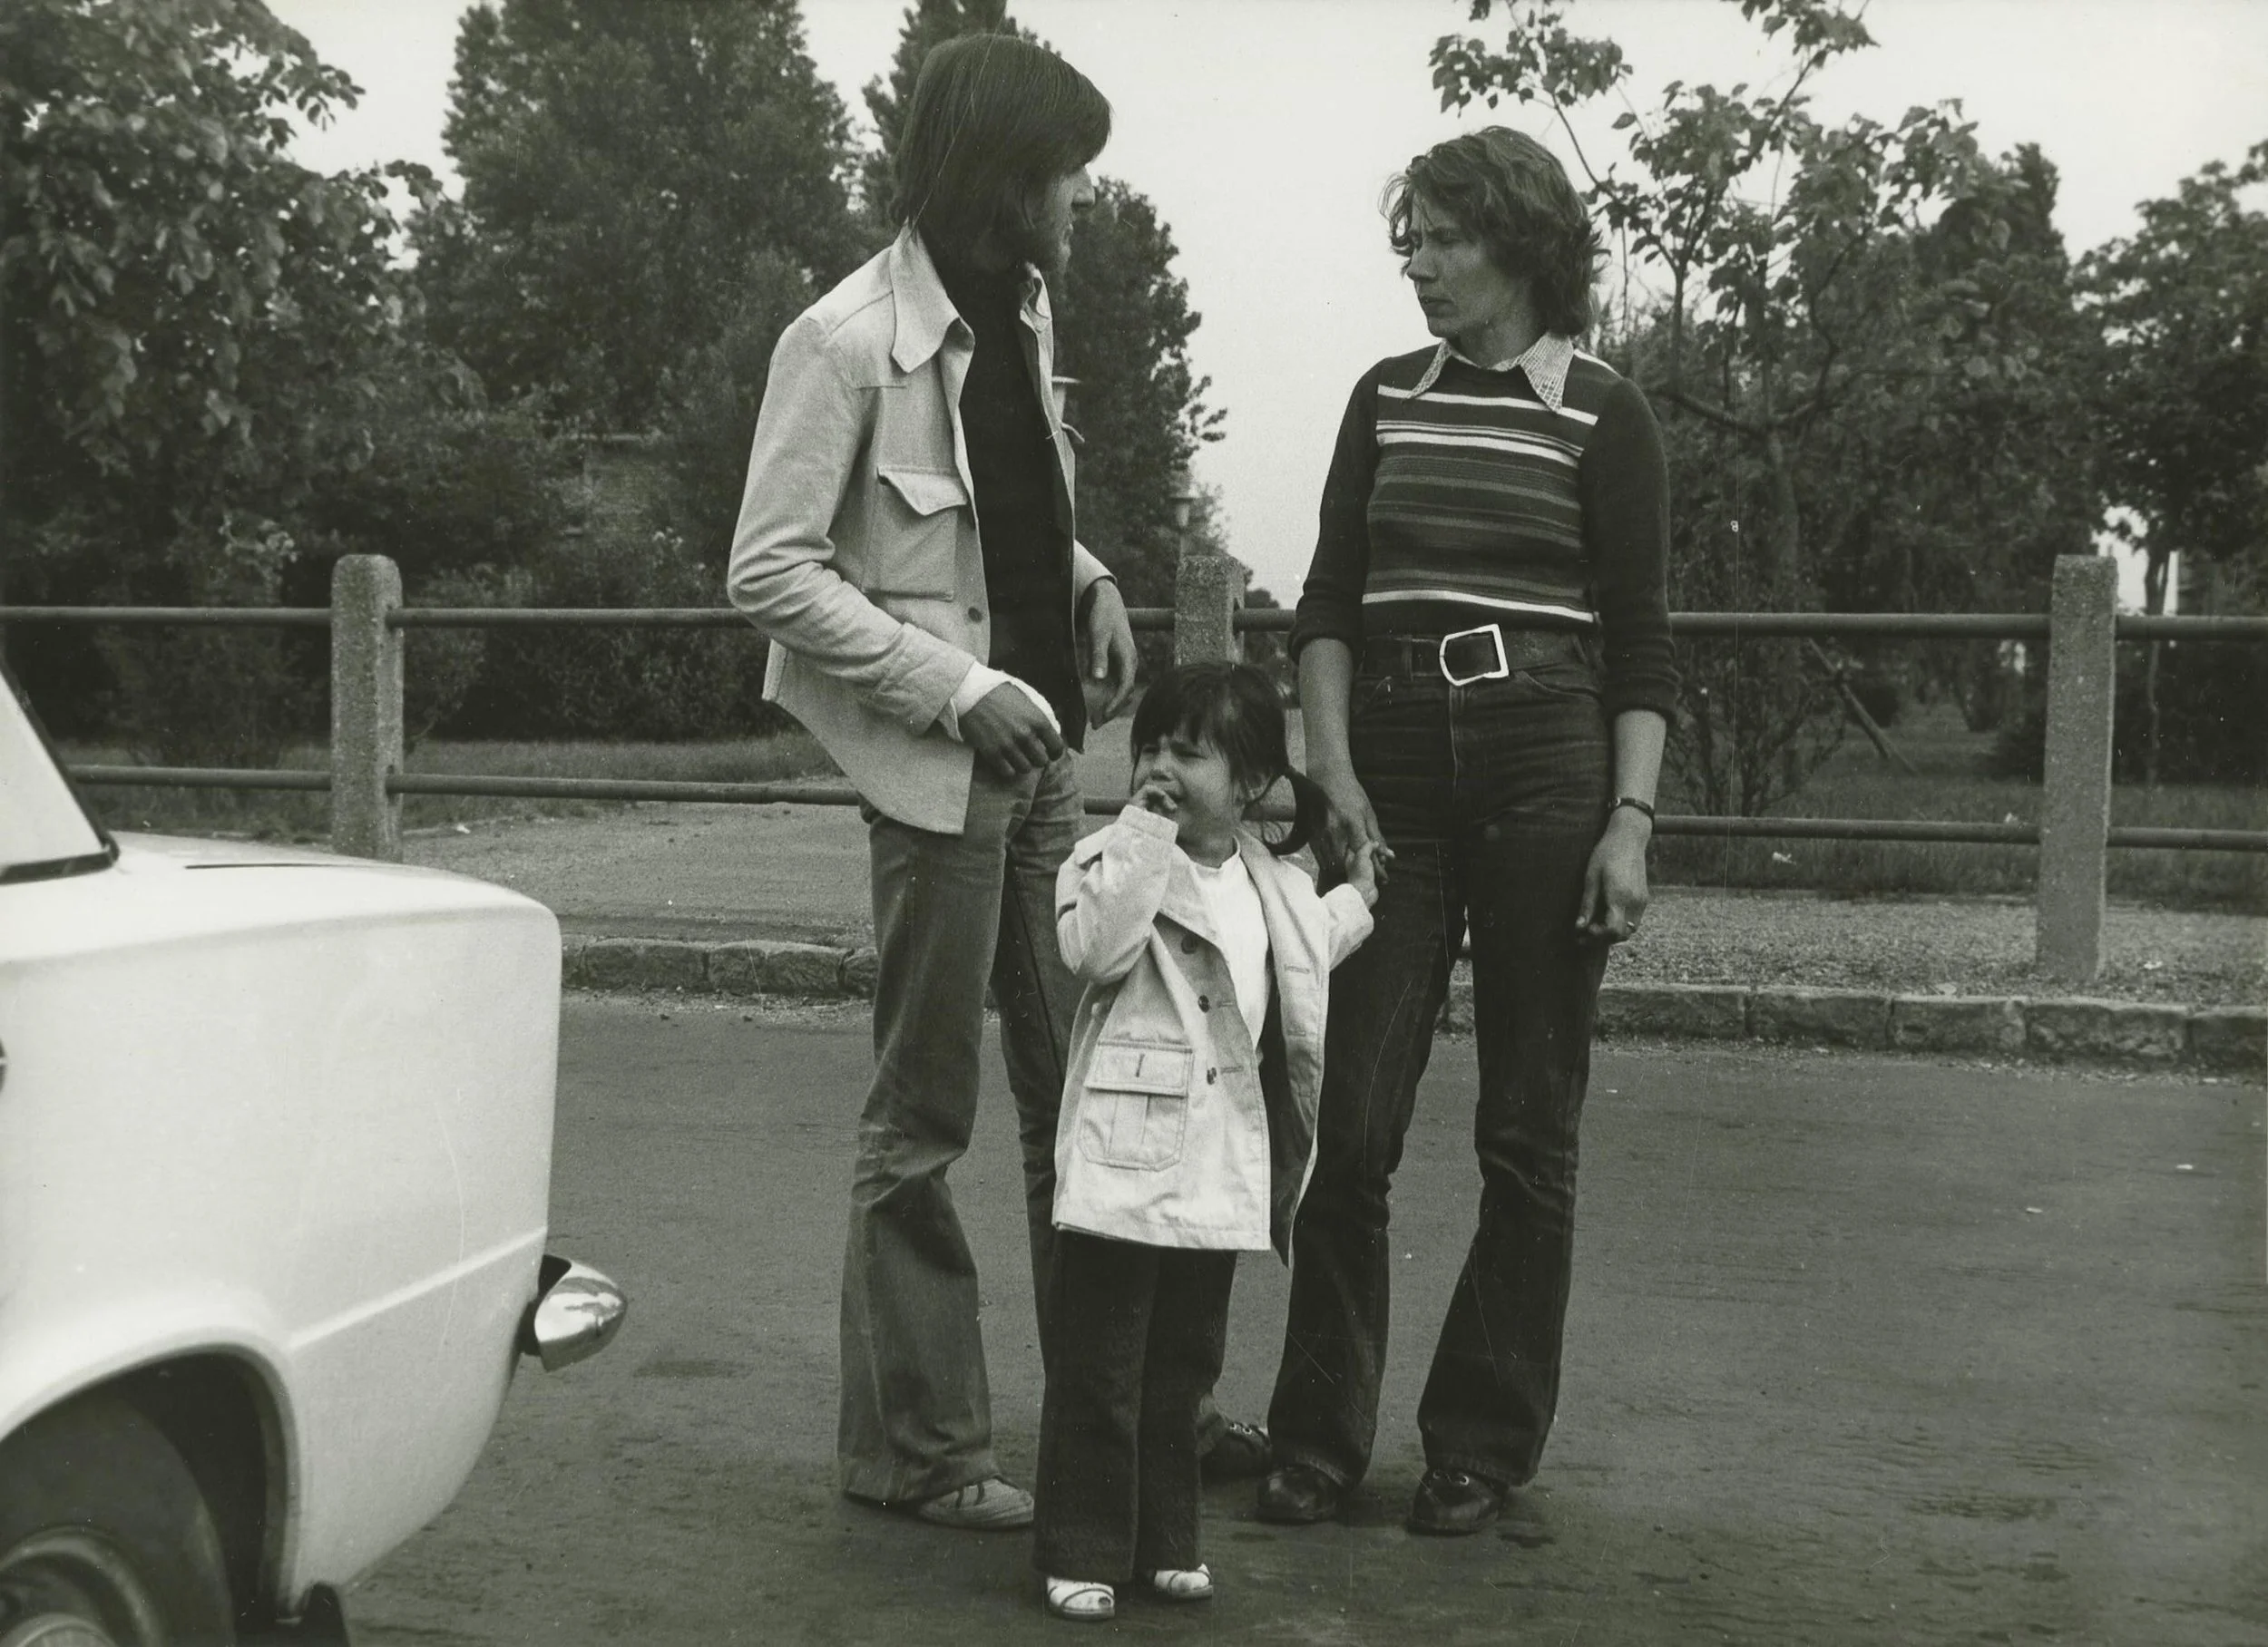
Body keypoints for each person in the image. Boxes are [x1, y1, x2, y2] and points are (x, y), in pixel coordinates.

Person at [726, 34, 1138, 1531]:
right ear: (1006, 178)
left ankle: (1109, 1424)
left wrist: (1086, 577)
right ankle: (920, 1452)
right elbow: (770, 571)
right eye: (1068, 173)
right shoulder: (841, 340)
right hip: (945, 783)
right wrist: (960, 690)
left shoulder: (1019, 309)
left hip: (1048, 772)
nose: (1083, 199)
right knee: (923, 1122)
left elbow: (992, 510)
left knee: (1082, 1097)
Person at [1256, 127, 1677, 1537]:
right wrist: (1334, 775)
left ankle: (1480, 1444)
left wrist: (1629, 822)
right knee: (1346, 1123)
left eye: (1446, 240)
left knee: (1527, 1130)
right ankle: (1317, 1438)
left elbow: (1641, 646)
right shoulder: (1384, 399)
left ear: (1522, 247)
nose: (1419, 267)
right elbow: (1326, 603)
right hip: (1390, 771)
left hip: (1550, 761)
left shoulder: (1606, 415)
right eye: (1411, 241)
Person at [1033, 664, 1377, 1622]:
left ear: (1254, 781)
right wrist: (1142, 836)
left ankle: (1166, 1542)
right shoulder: (1108, 860)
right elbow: (1096, 948)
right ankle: (1081, 1545)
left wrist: (1358, 895)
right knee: (1101, 1368)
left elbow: (1307, 950)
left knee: (1183, 1368)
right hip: (1122, 1160)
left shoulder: (1272, 883)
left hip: (1215, 1168)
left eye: (1188, 753)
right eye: (1148, 748)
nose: (1160, 768)